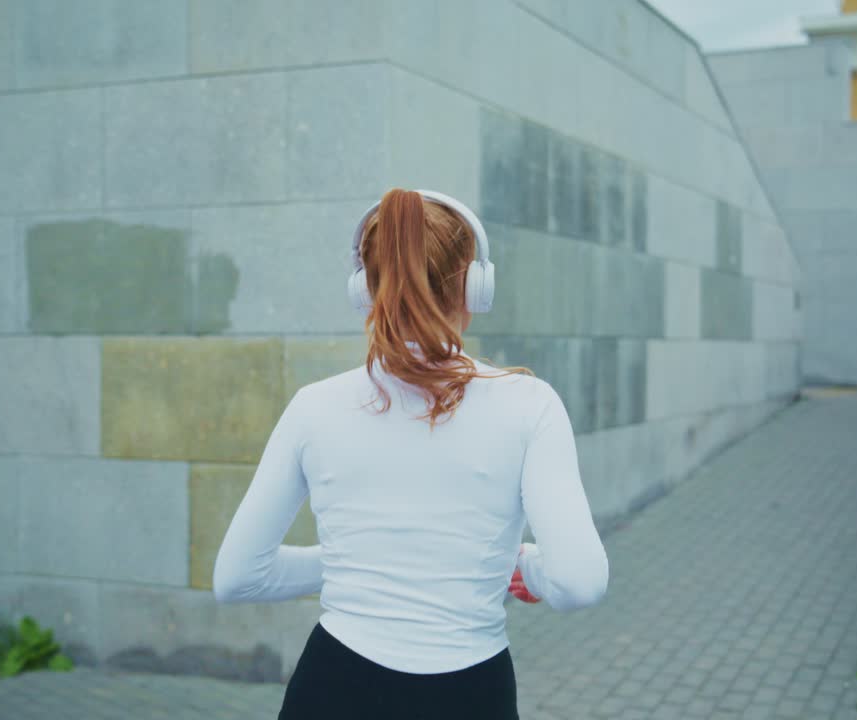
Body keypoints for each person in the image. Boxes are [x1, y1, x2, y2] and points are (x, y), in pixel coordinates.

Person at [213, 188, 610, 719]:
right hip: (470, 695)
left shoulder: (314, 407)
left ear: (364, 290)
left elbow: (238, 577)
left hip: (332, 688)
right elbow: (579, 583)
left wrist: (363, 561)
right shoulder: (530, 405)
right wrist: (526, 568)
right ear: (475, 285)